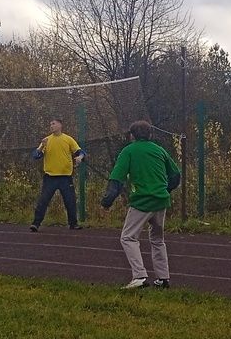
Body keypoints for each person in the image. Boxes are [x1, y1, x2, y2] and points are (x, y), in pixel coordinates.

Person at [101, 120, 181, 289]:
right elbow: (175, 175)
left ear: (132, 136)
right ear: (150, 134)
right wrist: (165, 189)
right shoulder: (159, 150)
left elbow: (117, 179)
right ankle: (163, 278)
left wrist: (107, 201)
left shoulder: (128, 151)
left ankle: (139, 276)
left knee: (128, 237)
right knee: (158, 239)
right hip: (161, 200)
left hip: (142, 201)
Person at [30, 118, 86, 232]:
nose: (51, 126)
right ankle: (35, 224)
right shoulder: (46, 140)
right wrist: (41, 146)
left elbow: (81, 152)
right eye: (50, 124)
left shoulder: (68, 139)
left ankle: (73, 224)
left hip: (65, 177)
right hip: (50, 177)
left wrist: (80, 157)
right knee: (43, 201)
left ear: (60, 125)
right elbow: (35, 156)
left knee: (70, 201)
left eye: (54, 124)